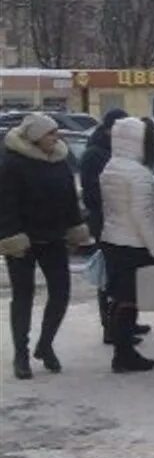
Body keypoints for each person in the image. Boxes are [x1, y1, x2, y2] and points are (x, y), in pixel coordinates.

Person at [0, 114, 92, 379]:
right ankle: (21, 354)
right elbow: (5, 205)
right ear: (36, 137)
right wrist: (12, 236)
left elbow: (69, 199)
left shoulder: (59, 161)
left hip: (53, 237)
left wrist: (76, 227)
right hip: (23, 241)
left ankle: (46, 344)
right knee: (23, 297)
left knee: (61, 292)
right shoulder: (13, 163)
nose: (56, 137)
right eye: (51, 133)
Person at [79, 109, 150, 345]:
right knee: (111, 276)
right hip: (108, 222)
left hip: (124, 219)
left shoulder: (115, 152)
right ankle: (111, 327)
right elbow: (93, 194)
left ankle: (127, 322)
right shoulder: (95, 155)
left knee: (127, 276)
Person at [99, 116, 154, 373]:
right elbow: (143, 214)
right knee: (130, 301)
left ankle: (121, 349)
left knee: (119, 298)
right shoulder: (138, 173)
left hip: (113, 239)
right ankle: (124, 355)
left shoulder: (111, 166)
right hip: (134, 243)